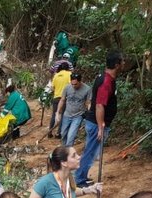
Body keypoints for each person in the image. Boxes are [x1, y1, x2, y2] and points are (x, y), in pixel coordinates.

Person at [74, 50, 124, 188]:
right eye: (122, 61)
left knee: (90, 151)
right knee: (90, 152)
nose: (124, 64)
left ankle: (81, 177)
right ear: (116, 64)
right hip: (96, 123)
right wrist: (101, 126)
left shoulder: (106, 78)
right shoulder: (106, 81)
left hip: (96, 122)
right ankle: (79, 179)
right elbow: (100, 105)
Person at [57, 72, 91, 146]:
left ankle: (68, 151)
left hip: (78, 116)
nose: (74, 86)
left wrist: (88, 113)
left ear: (80, 81)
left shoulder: (87, 89)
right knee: (63, 134)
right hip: (67, 114)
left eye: (76, 84)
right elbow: (62, 100)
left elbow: (88, 102)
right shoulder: (67, 88)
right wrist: (58, 113)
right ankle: (64, 150)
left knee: (71, 135)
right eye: (72, 84)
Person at [48, 63, 72, 138]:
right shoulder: (69, 74)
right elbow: (71, 85)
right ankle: (58, 133)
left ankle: (50, 132)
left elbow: (52, 88)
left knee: (54, 114)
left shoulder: (56, 75)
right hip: (65, 98)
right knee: (63, 115)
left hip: (56, 97)